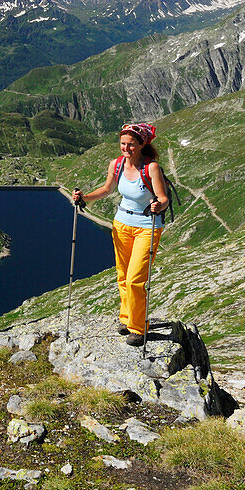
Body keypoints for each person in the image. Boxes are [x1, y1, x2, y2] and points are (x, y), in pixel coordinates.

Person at [73, 122, 169, 347]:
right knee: (123, 275)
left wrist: (158, 206)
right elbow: (107, 189)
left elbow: (163, 198)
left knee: (136, 278)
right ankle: (126, 318)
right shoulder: (116, 164)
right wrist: (84, 197)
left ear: (142, 144)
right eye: (123, 144)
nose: (126, 148)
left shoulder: (151, 167)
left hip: (147, 226)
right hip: (121, 224)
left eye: (131, 145)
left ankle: (138, 328)